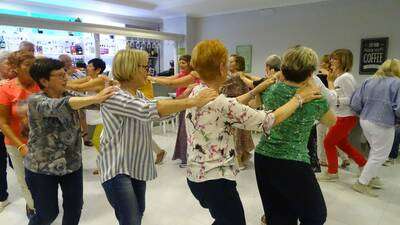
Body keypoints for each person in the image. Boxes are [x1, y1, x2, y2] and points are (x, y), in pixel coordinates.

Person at [186, 40, 324, 225]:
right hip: (214, 179)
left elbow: (230, 104)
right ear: (221, 67)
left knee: (226, 220)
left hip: (196, 174)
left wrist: (256, 89)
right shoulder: (221, 103)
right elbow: (267, 120)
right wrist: (299, 98)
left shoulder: (198, 91)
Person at [98, 49, 218, 225]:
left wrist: (186, 96)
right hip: (117, 168)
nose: (148, 71)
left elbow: (155, 107)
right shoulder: (114, 96)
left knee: (138, 213)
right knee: (130, 219)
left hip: (134, 165)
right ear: (130, 68)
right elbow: (148, 110)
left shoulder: (137, 95)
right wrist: (193, 101)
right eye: (144, 67)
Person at [25, 57, 116, 225]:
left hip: (72, 163)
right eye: (59, 75)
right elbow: (61, 105)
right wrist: (95, 98)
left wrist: (109, 91)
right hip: (42, 167)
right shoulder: (35, 100)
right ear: (44, 81)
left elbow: (92, 105)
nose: (65, 77)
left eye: (64, 73)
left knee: (74, 208)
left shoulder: (69, 94)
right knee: (47, 214)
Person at [255, 45, 336, 225]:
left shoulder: (272, 90)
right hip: (292, 162)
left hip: (263, 158)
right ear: (310, 73)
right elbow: (331, 121)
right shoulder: (313, 98)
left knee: (279, 215)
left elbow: (264, 91)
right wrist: (315, 87)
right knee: (316, 215)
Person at [350, 58, 400, 197]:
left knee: (375, 151)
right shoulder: (397, 83)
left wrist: (363, 113)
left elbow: (355, 102)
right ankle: (362, 183)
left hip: (365, 120)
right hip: (383, 123)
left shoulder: (369, 80)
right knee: (380, 155)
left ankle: (370, 177)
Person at [318, 49, 367, 182]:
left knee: (328, 142)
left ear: (343, 61)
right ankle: (363, 164)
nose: (331, 61)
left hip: (346, 116)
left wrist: (336, 100)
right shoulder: (340, 78)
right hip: (342, 115)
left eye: (335, 59)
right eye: (332, 58)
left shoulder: (345, 78)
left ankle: (332, 172)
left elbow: (352, 99)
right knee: (343, 144)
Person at [0, 50, 38, 218]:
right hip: (17, 143)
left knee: (43, 178)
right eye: (27, 65)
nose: (33, 68)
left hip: (41, 142)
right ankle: (32, 207)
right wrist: (21, 145)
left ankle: (43, 202)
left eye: (34, 64)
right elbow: (2, 122)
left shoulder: (42, 84)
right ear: (16, 67)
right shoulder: (6, 89)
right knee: (24, 178)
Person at [149, 55, 199, 168]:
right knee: (183, 131)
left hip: (188, 106)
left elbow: (173, 84)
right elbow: (170, 79)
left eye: (183, 62)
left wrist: (152, 79)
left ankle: (187, 158)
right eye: (179, 62)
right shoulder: (182, 74)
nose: (181, 65)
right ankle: (184, 157)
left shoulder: (193, 76)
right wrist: (153, 77)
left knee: (186, 132)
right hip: (182, 105)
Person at [221, 54, 255, 169]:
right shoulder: (240, 75)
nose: (229, 64)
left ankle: (239, 160)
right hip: (240, 108)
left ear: (238, 64)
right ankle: (243, 156)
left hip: (237, 108)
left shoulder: (235, 76)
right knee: (241, 133)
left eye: (231, 62)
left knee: (237, 134)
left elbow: (222, 85)